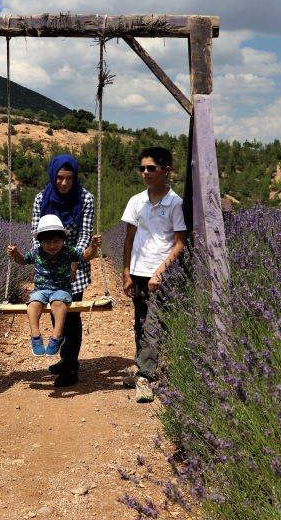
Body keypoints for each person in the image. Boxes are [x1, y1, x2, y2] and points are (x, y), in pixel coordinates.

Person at [121, 146, 187, 403]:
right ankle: (142, 368)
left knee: (154, 324)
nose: (146, 173)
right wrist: (126, 272)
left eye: (152, 168)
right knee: (139, 321)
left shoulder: (175, 203)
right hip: (138, 271)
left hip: (161, 275)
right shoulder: (136, 201)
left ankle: (146, 376)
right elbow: (128, 239)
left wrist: (160, 272)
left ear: (166, 171)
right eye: (142, 168)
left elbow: (180, 241)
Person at [31, 154, 96, 386]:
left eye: (69, 178)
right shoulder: (41, 198)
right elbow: (35, 233)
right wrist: (41, 262)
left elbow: (84, 235)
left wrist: (71, 263)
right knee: (53, 310)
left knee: (70, 314)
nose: (64, 183)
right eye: (59, 178)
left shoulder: (85, 198)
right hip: (48, 266)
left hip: (74, 265)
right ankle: (64, 356)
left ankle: (70, 365)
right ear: (53, 176)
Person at [8, 214, 102, 356]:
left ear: (63, 240)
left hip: (61, 289)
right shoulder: (36, 252)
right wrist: (15, 254)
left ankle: (56, 336)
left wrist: (93, 246)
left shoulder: (68, 251)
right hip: (41, 289)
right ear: (39, 241)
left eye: (57, 241)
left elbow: (86, 256)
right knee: (33, 304)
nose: (52, 246)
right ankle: (35, 336)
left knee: (58, 303)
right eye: (47, 242)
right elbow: (22, 261)